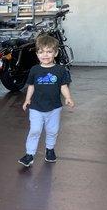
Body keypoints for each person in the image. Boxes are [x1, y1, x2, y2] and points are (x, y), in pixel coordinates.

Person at [18, 34, 75, 167]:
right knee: (35, 130)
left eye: (49, 51)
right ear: (37, 54)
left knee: (52, 131)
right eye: (41, 52)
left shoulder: (60, 70)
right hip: (36, 107)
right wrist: (27, 100)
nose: (45, 55)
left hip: (54, 108)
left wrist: (68, 97)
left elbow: (63, 86)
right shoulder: (35, 70)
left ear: (55, 53)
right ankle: (29, 154)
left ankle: (49, 150)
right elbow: (31, 86)